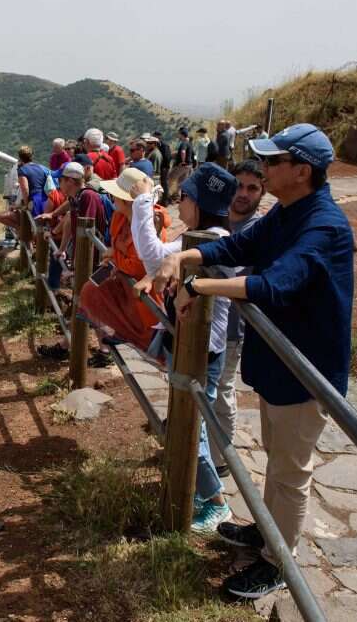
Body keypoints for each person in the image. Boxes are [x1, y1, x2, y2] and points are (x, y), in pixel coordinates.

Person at [136, 123, 353, 600]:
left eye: (274, 162)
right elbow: (237, 247)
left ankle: (278, 564)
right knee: (276, 460)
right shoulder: (290, 212)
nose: (265, 168)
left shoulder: (323, 225)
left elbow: (275, 283)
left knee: (290, 473)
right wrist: (187, 256)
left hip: (307, 371)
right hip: (283, 365)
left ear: (301, 171)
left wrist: (199, 285)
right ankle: (267, 533)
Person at [131, 163, 239, 532]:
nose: (179, 205)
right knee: (186, 419)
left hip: (202, 349)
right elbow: (161, 260)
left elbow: (152, 255)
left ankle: (215, 502)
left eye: (185, 197)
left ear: (200, 203)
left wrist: (143, 201)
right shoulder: (200, 236)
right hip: (194, 344)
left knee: (194, 427)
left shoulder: (211, 241)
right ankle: (192, 488)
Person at [77, 167, 170, 366]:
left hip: (143, 288)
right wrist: (118, 252)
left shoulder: (153, 223)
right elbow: (125, 255)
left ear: (128, 201)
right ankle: (122, 333)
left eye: (116, 195)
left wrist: (115, 253)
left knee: (142, 325)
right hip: (125, 281)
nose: (111, 197)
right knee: (91, 291)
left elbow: (137, 266)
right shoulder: (120, 217)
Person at [209, 160, 265, 477]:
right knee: (207, 388)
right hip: (208, 321)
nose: (242, 194)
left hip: (231, 327)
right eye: (238, 186)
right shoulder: (220, 221)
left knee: (222, 391)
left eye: (252, 188)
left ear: (262, 191)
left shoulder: (257, 231)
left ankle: (220, 459)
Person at [37, 162, 110, 360]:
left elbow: (89, 235)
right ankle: (87, 348)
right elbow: (70, 216)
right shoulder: (78, 197)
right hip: (90, 262)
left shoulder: (88, 197)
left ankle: (101, 349)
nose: (58, 183)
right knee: (86, 305)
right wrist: (62, 249)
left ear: (70, 181)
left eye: (60, 179)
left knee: (88, 305)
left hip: (95, 263)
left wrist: (79, 269)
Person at [0, 145, 49, 227]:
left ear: (20, 157)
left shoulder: (22, 170)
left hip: (35, 201)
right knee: (43, 227)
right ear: (31, 156)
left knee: (37, 229)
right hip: (45, 199)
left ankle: (20, 231)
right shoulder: (40, 167)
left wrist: (26, 205)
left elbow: (25, 189)